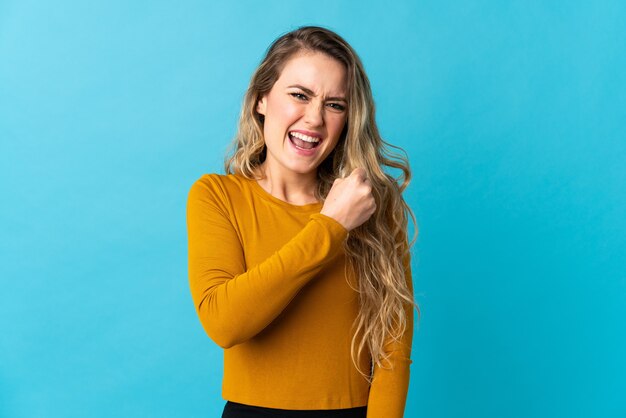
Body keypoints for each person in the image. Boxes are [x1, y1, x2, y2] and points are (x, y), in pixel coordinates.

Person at [186, 25, 419, 418]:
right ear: (261, 99)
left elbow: (393, 345)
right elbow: (225, 323)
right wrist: (331, 226)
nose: (314, 119)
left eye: (335, 104)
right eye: (299, 95)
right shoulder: (217, 196)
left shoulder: (369, 204)